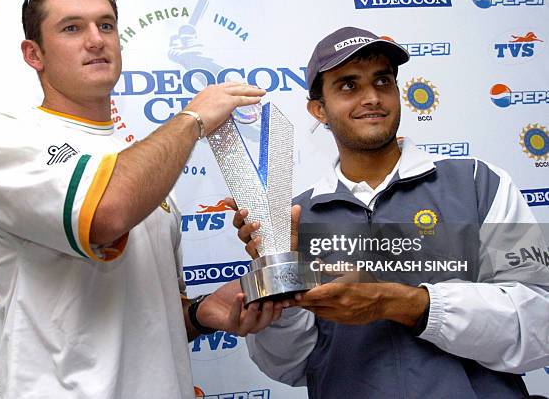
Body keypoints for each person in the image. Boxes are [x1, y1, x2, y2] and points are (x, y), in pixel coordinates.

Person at [0, 0, 285, 398]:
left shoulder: (140, 162)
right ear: (33, 54)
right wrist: (192, 119)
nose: (96, 39)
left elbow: (143, 315)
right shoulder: (3, 140)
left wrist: (201, 314)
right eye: (72, 28)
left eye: (106, 25)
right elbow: (105, 214)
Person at [233, 26, 549, 398]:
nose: (371, 98)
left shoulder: (478, 183)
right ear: (319, 109)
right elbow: (287, 365)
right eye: (348, 85)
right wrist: (279, 277)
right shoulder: (295, 219)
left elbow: (539, 322)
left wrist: (404, 303)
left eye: (382, 81)